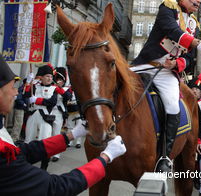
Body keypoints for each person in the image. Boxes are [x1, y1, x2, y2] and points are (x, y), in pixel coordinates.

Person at [0, 56, 126, 196]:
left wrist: (71, 135)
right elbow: (55, 188)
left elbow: (23, 152)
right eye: (12, 87)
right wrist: (105, 157)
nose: (16, 92)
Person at [131, 0, 201, 172]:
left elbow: (189, 57)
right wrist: (197, 43)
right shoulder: (168, 7)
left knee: (173, 106)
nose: (198, 0)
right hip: (145, 64)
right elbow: (172, 31)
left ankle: (165, 157)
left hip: (165, 73)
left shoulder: (194, 24)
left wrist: (177, 64)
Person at [51, 67, 73, 162]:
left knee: (56, 134)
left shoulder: (66, 89)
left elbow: (68, 97)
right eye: (57, 79)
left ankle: (56, 154)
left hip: (58, 113)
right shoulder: (51, 86)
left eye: (60, 79)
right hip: (47, 112)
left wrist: (59, 89)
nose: (59, 81)